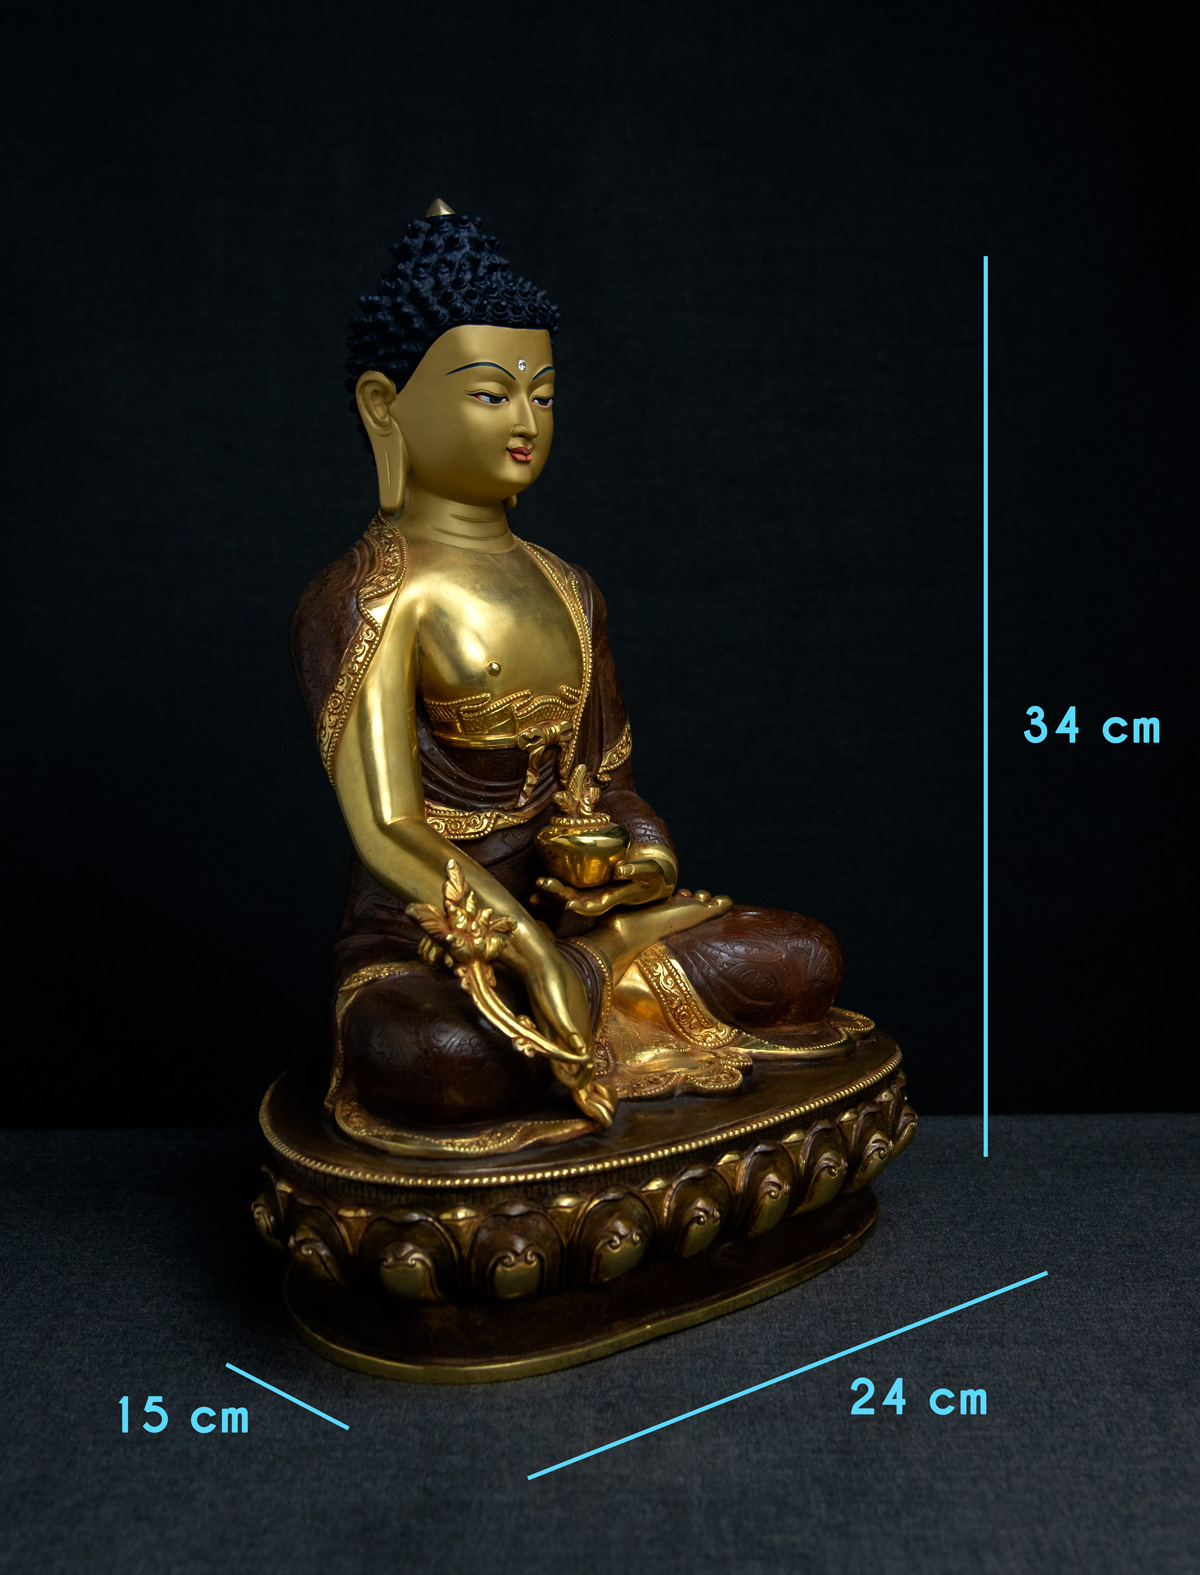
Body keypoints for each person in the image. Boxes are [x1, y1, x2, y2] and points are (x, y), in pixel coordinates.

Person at [290, 206, 846, 1152]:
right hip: (439, 946)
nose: (525, 423)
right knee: (438, 1056)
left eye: (542, 396)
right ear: (385, 405)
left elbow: (610, 782)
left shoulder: (568, 588)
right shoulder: (364, 597)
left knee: (802, 957)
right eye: (490, 393)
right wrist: (528, 951)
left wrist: (640, 864)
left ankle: (595, 991)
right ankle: (591, 999)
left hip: (578, 924)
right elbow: (388, 829)